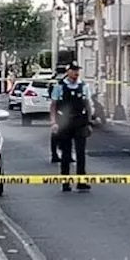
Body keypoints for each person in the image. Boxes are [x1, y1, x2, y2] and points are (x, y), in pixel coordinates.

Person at [50, 62, 93, 192]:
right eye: (73, 70)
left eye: (77, 70)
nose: (76, 73)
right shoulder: (60, 86)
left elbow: (88, 105)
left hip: (80, 122)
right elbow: (53, 105)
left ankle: (81, 181)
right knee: (66, 154)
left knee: (81, 154)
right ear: (68, 71)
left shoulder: (83, 86)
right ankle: (65, 182)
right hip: (64, 122)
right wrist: (53, 122)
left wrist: (89, 122)